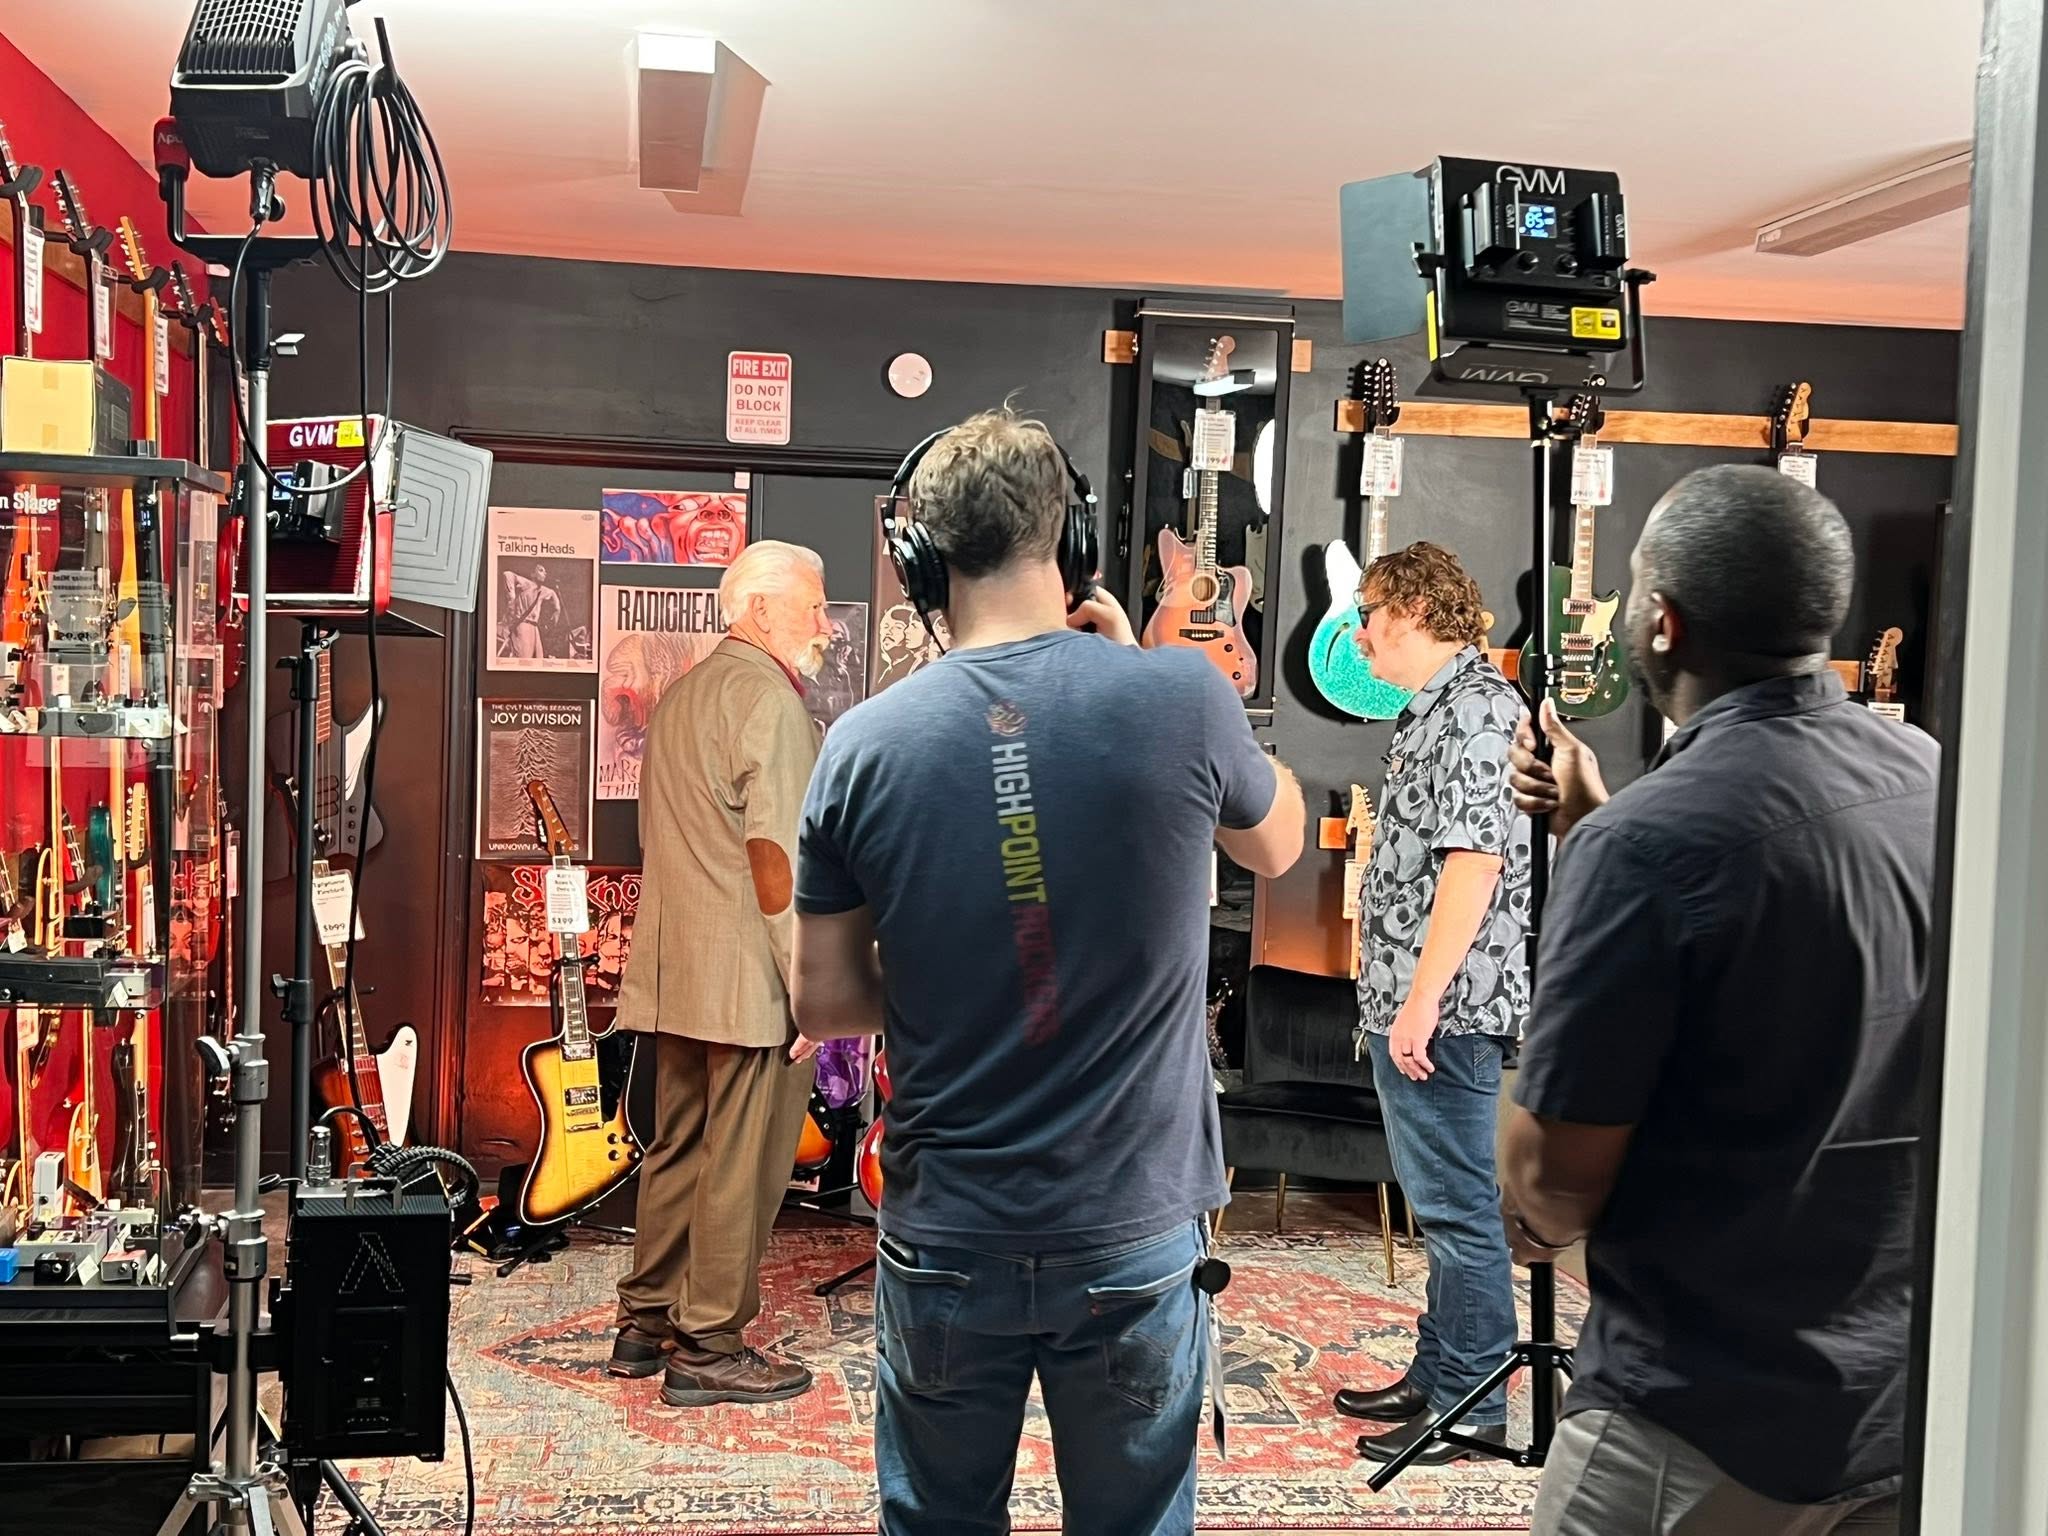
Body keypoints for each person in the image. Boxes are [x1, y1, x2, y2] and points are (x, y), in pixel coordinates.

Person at [790, 408, 1305, 1536]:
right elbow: (1278, 844)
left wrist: (947, 978)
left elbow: (822, 1002)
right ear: (1071, 542)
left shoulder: (858, 746)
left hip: (947, 1227)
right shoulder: (1184, 696)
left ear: (920, 559)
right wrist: (1137, 671)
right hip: (1132, 1222)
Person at [1500, 465, 1935, 1534]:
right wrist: (1594, 825)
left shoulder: (1645, 845)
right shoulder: (1931, 777)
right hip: (1896, 1399)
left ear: (1661, 621)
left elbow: (1552, 1188)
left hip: (1700, 1419)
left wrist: (1604, 849)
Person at [608, 539, 837, 1406]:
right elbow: (778, 864)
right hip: (747, 984)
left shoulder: (682, 695)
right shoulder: (769, 702)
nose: (825, 625)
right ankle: (708, 1344)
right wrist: (812, 988)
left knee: (679, 1150)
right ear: (760, 611)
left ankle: (644, 1323)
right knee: (740, 1164)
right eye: (814, 607)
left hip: (679, 974)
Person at [1330, 540, 1531, 1465]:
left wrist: (1421, 1004)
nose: (1359, 634)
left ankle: (1472, 1405)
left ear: (1412, 611)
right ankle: (1439, 1368)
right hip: (1413, 1002)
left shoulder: (1482, 711)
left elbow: (1475, 864)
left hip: (1444, 1009)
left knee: (1457, 1210)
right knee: (1438, 1204)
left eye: (1368, 614)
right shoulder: (1436, 709)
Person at [498, 560, 562, 659]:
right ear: (533, 574)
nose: (545, 573)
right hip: (524, 624)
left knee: (539, 660)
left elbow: (552, 593)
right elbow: (507, 574)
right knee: (524, 658)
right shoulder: (526, 583)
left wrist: (557, 609)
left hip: (535, 628)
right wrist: (511, 598)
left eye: (545, 571)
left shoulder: (543, 589)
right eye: (541, 570)